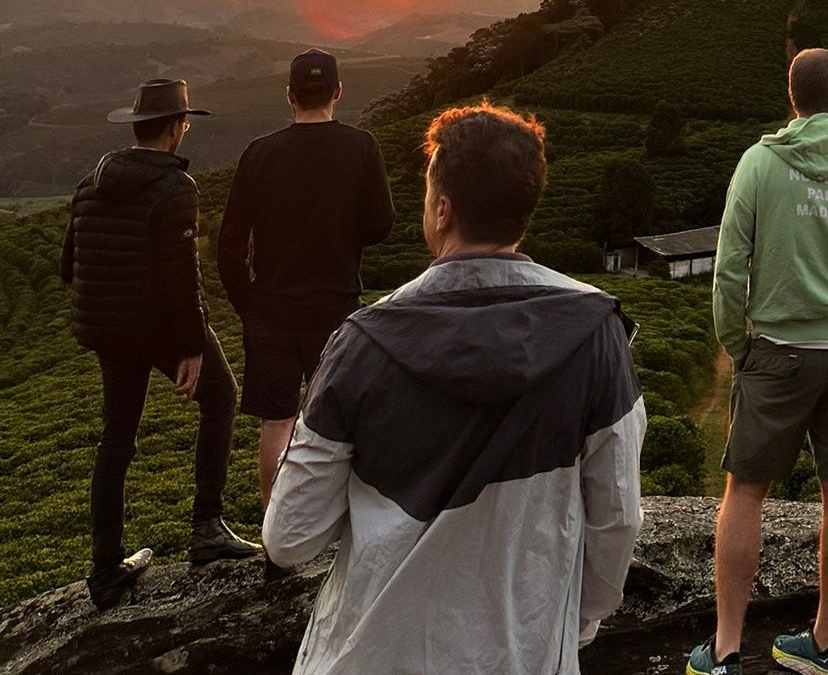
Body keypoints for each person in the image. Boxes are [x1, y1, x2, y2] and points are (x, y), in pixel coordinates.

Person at [264, 101, 645, 675]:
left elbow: (290, 538)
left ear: (442, 210)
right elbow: (617, 517)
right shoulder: (597, 335)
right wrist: (576, 620)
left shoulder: (362, 342)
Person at [692, 48, 828, 675]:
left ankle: (726, 651)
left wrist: (736, 346)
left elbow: (728, 265)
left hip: (777, 352)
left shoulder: (760, 164)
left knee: (744, 492)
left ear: (792, 98)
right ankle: (824, 645)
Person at [60, 78, 262, 611]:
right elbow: (181, 276)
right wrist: (190, 345)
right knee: (220, 398)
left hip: (106, 327)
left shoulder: (90, 182)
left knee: (116, 439)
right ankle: (207, 528)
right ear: (175, 128)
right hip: (154, 325)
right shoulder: (176, 187)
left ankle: (105, 570)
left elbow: (67, 265)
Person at [217, 48, 394, 513]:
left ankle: (277, 534)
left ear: (290, 96)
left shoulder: (259, 153)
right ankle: (338, 530)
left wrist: (247, 303)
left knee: (277, 422)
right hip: (336, 305)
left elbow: (229, 242)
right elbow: (381, 226)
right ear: (337, 92)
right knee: (341, 418)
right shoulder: (361, 146)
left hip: (271, 309)